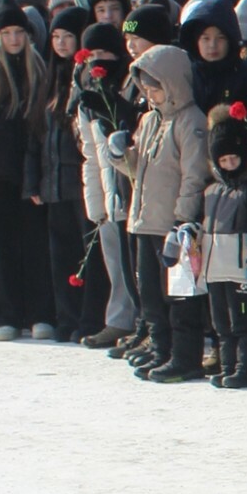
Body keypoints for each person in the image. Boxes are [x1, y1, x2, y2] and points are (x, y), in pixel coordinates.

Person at [109, 43, 208, 381]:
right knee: (150, 294)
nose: (149, 92)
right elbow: (138, 169)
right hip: (145, 222)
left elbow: (194, 174)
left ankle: (185, 356)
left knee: (179, 297)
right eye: (145, 86)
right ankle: (160, 349)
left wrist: (183, 219)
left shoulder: (190, 120)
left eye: (155, 84)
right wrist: (120, 155)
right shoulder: (150, 120)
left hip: (172, 225)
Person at [0, 3, 56, 339]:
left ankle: (40, 313)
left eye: (19, 32)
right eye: (7, 33)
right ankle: (5, 315)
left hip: (33, 172)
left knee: (34, 245)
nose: (14, 39)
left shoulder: (39, 69)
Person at [69, 22, 139, 349]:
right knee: (115, 258)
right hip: (108, 187)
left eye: (105, 54)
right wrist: (95, 202)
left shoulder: (128, 85)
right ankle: (120, 319)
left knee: (139, 261)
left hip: (136, 184)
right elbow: (89, 152)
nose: (99, 61)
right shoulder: (86, 94)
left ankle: (144, 321)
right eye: (92, 55)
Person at [197, 105, 247, 388]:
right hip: (216, 268)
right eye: (223, 160)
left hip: (241, 268)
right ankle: (228, 365)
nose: (229, 164)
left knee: (244, 320)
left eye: (233, 158)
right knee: (222, 323)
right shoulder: (212, 190)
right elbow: (202, 222)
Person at [37, 5, 93, 345]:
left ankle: (87, 317)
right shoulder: (49, 76)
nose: (60, 43)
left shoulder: (85, 75)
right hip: (52, 183)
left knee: (86, 255)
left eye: (67, 36)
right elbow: (36, 136)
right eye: (55, 36)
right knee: (61, 256)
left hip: (80, 180)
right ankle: (67, 316)